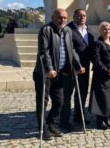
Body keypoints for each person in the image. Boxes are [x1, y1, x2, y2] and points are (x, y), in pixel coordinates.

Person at [33, 8, 85, 140]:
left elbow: (71, 50)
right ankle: (42, 128)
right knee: (42, 102)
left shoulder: (68, 31)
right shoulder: (46, 30)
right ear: (53, 17)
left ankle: (51, 124)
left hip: (60, 73)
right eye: (59, 17)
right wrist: (49, 69)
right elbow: (44, 52)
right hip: (44, 74)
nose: (62, 20)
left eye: (64, 18)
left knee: (59, 102)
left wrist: (78, 66)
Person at [60, 9, 94, 130]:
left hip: (84, 68)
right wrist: (77, 65)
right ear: (73, 16)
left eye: (84, 15)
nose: (81, 18)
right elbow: (70, 49)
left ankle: (79, 116)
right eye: (79, 16)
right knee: (67, 95)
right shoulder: (68, 29)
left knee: (83, 93)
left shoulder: (88, 29)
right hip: (71, 68)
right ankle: (64, 120)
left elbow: (90, 48)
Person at [89, 22, 110, 130]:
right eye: (104, 29)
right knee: (101, 98)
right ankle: (100, 121)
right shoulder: (97, 43)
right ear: (100, 31)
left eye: (109, 29)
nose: (107, 31)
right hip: (102, 75)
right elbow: (96, 60)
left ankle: (107, 118)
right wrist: (107, 71)